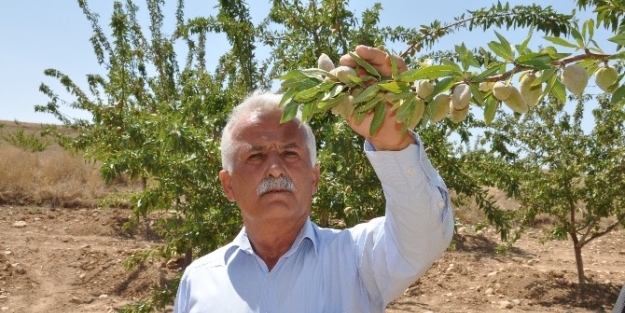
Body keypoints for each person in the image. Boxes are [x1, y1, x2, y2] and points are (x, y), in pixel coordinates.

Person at [173, 45, 454, 313]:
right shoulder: (197, 282)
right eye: (256, 156)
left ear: (314, 178)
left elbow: (422, 238)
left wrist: (394, 144)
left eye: (290, 153)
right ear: (228, 185)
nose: (275, 169)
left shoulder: (357, 260)